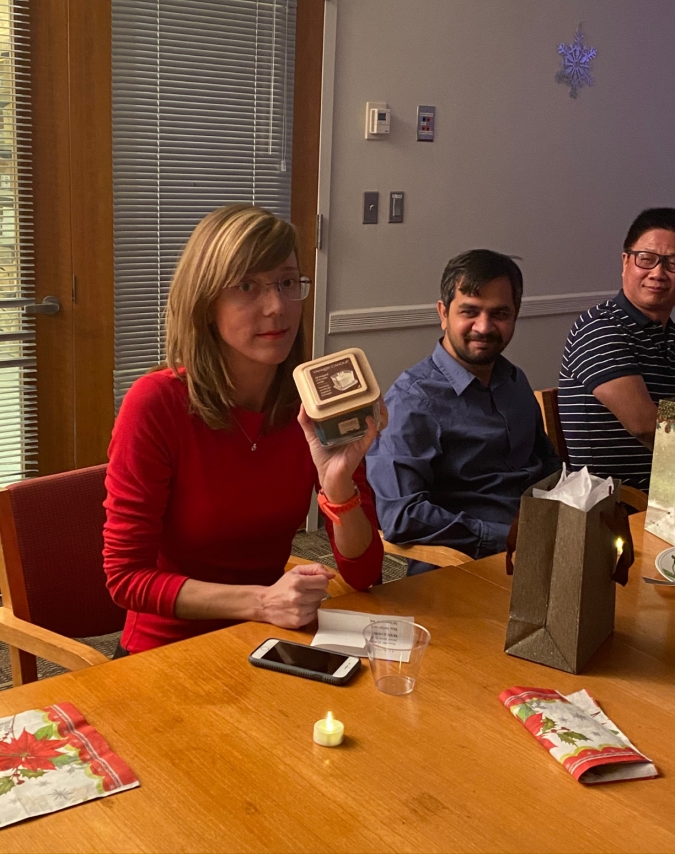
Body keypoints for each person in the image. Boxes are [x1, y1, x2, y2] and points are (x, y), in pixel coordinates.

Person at [103, 204, 384, 654]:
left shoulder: (313, 403)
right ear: (205, 302)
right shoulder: (156, 404)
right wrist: (262, 602)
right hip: (165, 653)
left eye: (287, 283)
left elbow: (364, 574)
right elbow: (126, 579)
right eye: (248, 286)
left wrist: (339, 486)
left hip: (267, 640)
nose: (277, 307)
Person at [366, 249, 560, 574]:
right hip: (466, 567)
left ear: (515, 315)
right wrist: (506, 537)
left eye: (499, 313)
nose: (484, 327)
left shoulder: (514, 380)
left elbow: (547, 466)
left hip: (544, 548)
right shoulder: (412, 401)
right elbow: (400, 516)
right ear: (443, 314)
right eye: (469, 311)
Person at [558, 208, 675, 491]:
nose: (658, 273)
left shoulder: (669, 335)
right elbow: (646, 426)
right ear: (625, 262)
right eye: (646, 259)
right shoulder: (600, 328)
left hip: (665, 493)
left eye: (673, 264)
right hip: (619, 504)